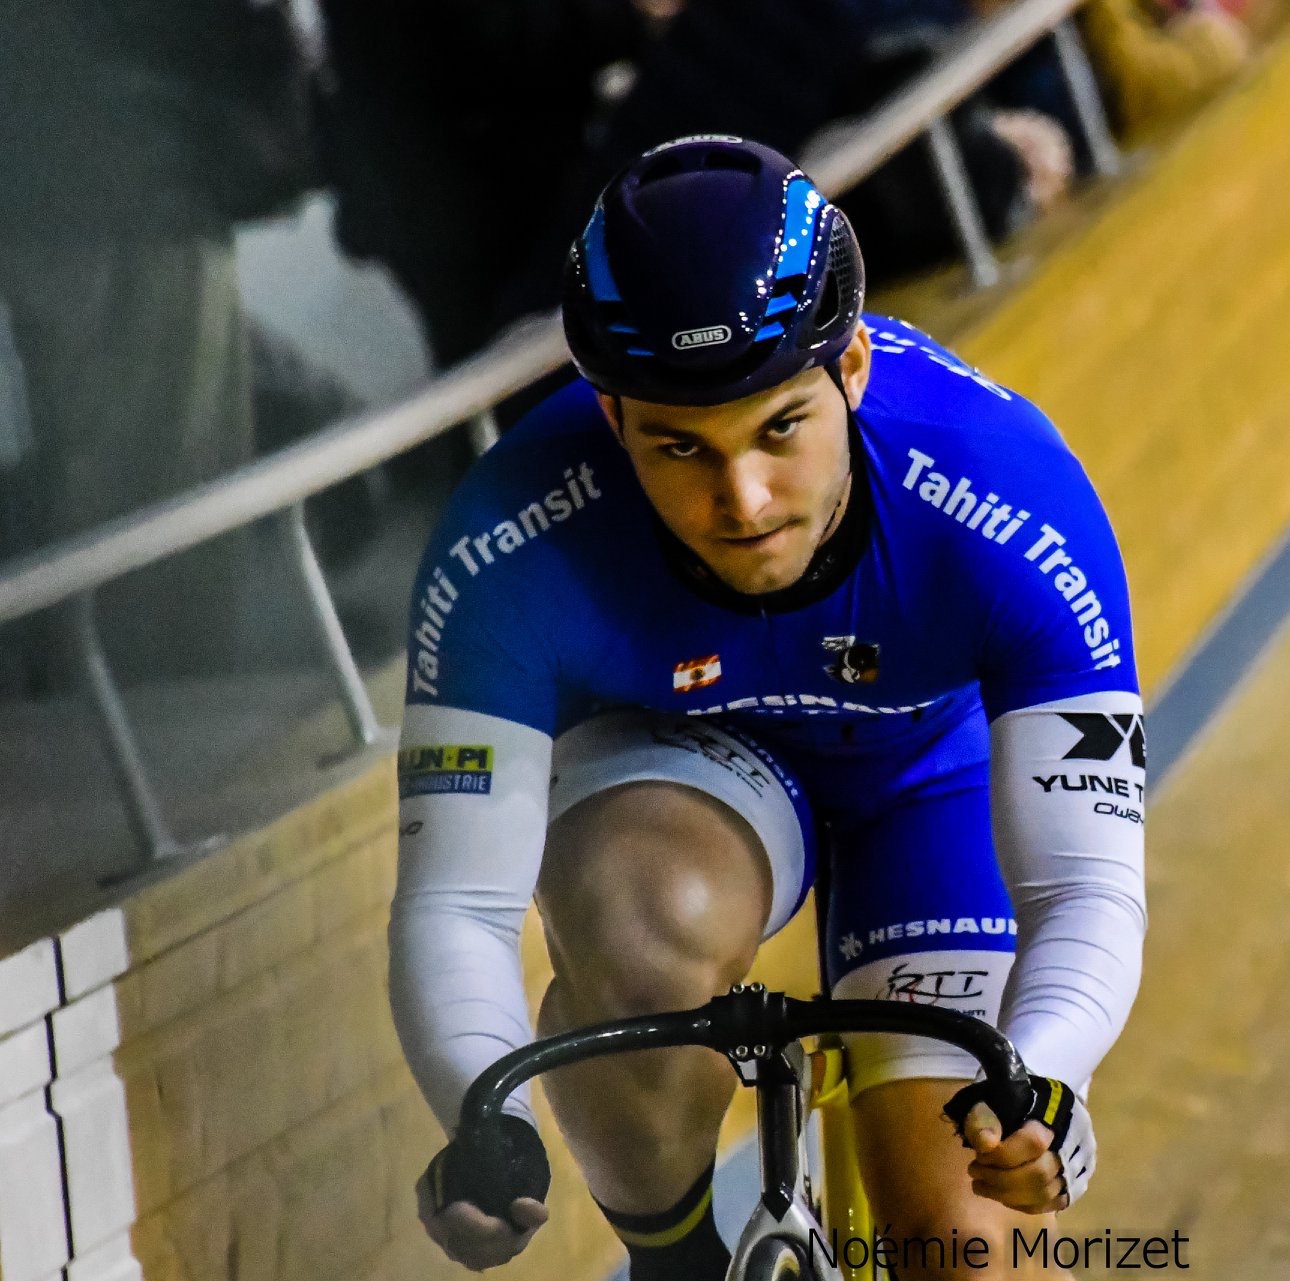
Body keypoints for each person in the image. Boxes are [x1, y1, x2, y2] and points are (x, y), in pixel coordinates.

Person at [390, 135, 1147, 1280]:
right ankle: (675, 1261)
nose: (737, 500)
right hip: (686, 767)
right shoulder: (511, 543)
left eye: (779, 428)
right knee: (636, 913)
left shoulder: (1007, 490)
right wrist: (483, 1120)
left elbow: (1085, 884)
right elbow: (456, 905)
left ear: (849, 369)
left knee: (962, 1253)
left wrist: (1042, 1075)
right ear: (609, 418)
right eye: (678, 445)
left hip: (919, 774)